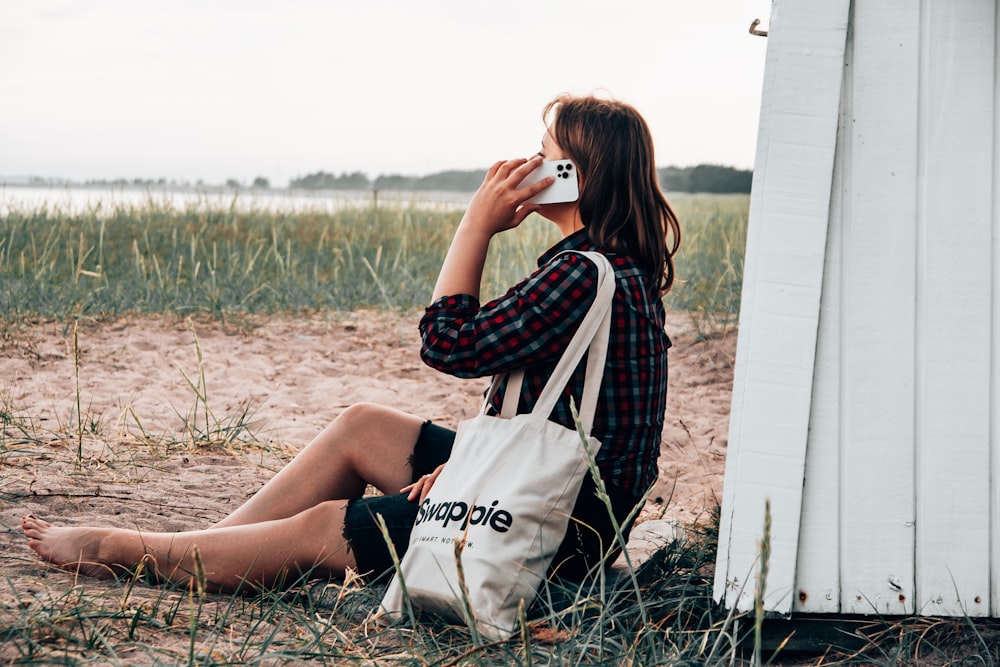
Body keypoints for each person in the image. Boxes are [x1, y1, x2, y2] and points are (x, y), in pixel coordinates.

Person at [21, 94, 680, 592]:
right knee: (363, 425)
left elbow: (447, 341)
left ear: (576, 177)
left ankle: (133, 551)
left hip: (551, 523)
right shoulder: (611, 267)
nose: (528, 164)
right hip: (572, 497)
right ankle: (207, 545)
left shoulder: (578, 273)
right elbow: (559, 414)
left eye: (545, 153)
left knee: (320, 528)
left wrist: (474, 227)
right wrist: (467, 467)